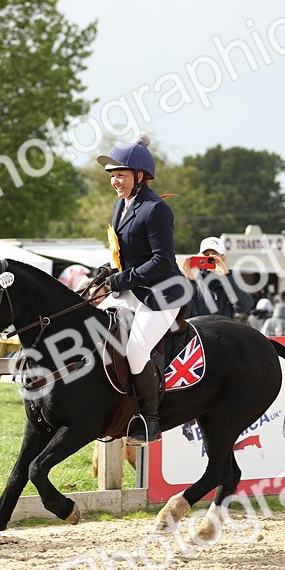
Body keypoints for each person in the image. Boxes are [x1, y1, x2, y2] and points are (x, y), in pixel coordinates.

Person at [94, 133, 188, 445]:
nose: (115, 182)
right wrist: (109, 271)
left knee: (135, 349)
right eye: (112, 176)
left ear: (140, 176)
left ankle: (150, 419)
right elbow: (127, 254)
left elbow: (162, 262)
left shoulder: (156, 209)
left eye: (120, 175)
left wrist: (121, 279)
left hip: (161, 294)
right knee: (95, 328)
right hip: (131, 290)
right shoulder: (120, 206)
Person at [183, 237, 253, 319]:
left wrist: (226, 276)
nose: (210, 257)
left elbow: (244, 307)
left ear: (223, 258)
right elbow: (183, 314)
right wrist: (190, 281)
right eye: (206, 255)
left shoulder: (231, 279)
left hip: (224, 330)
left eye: (214, 254)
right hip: (199, 330)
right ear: (199, 257)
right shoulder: (192, 280)